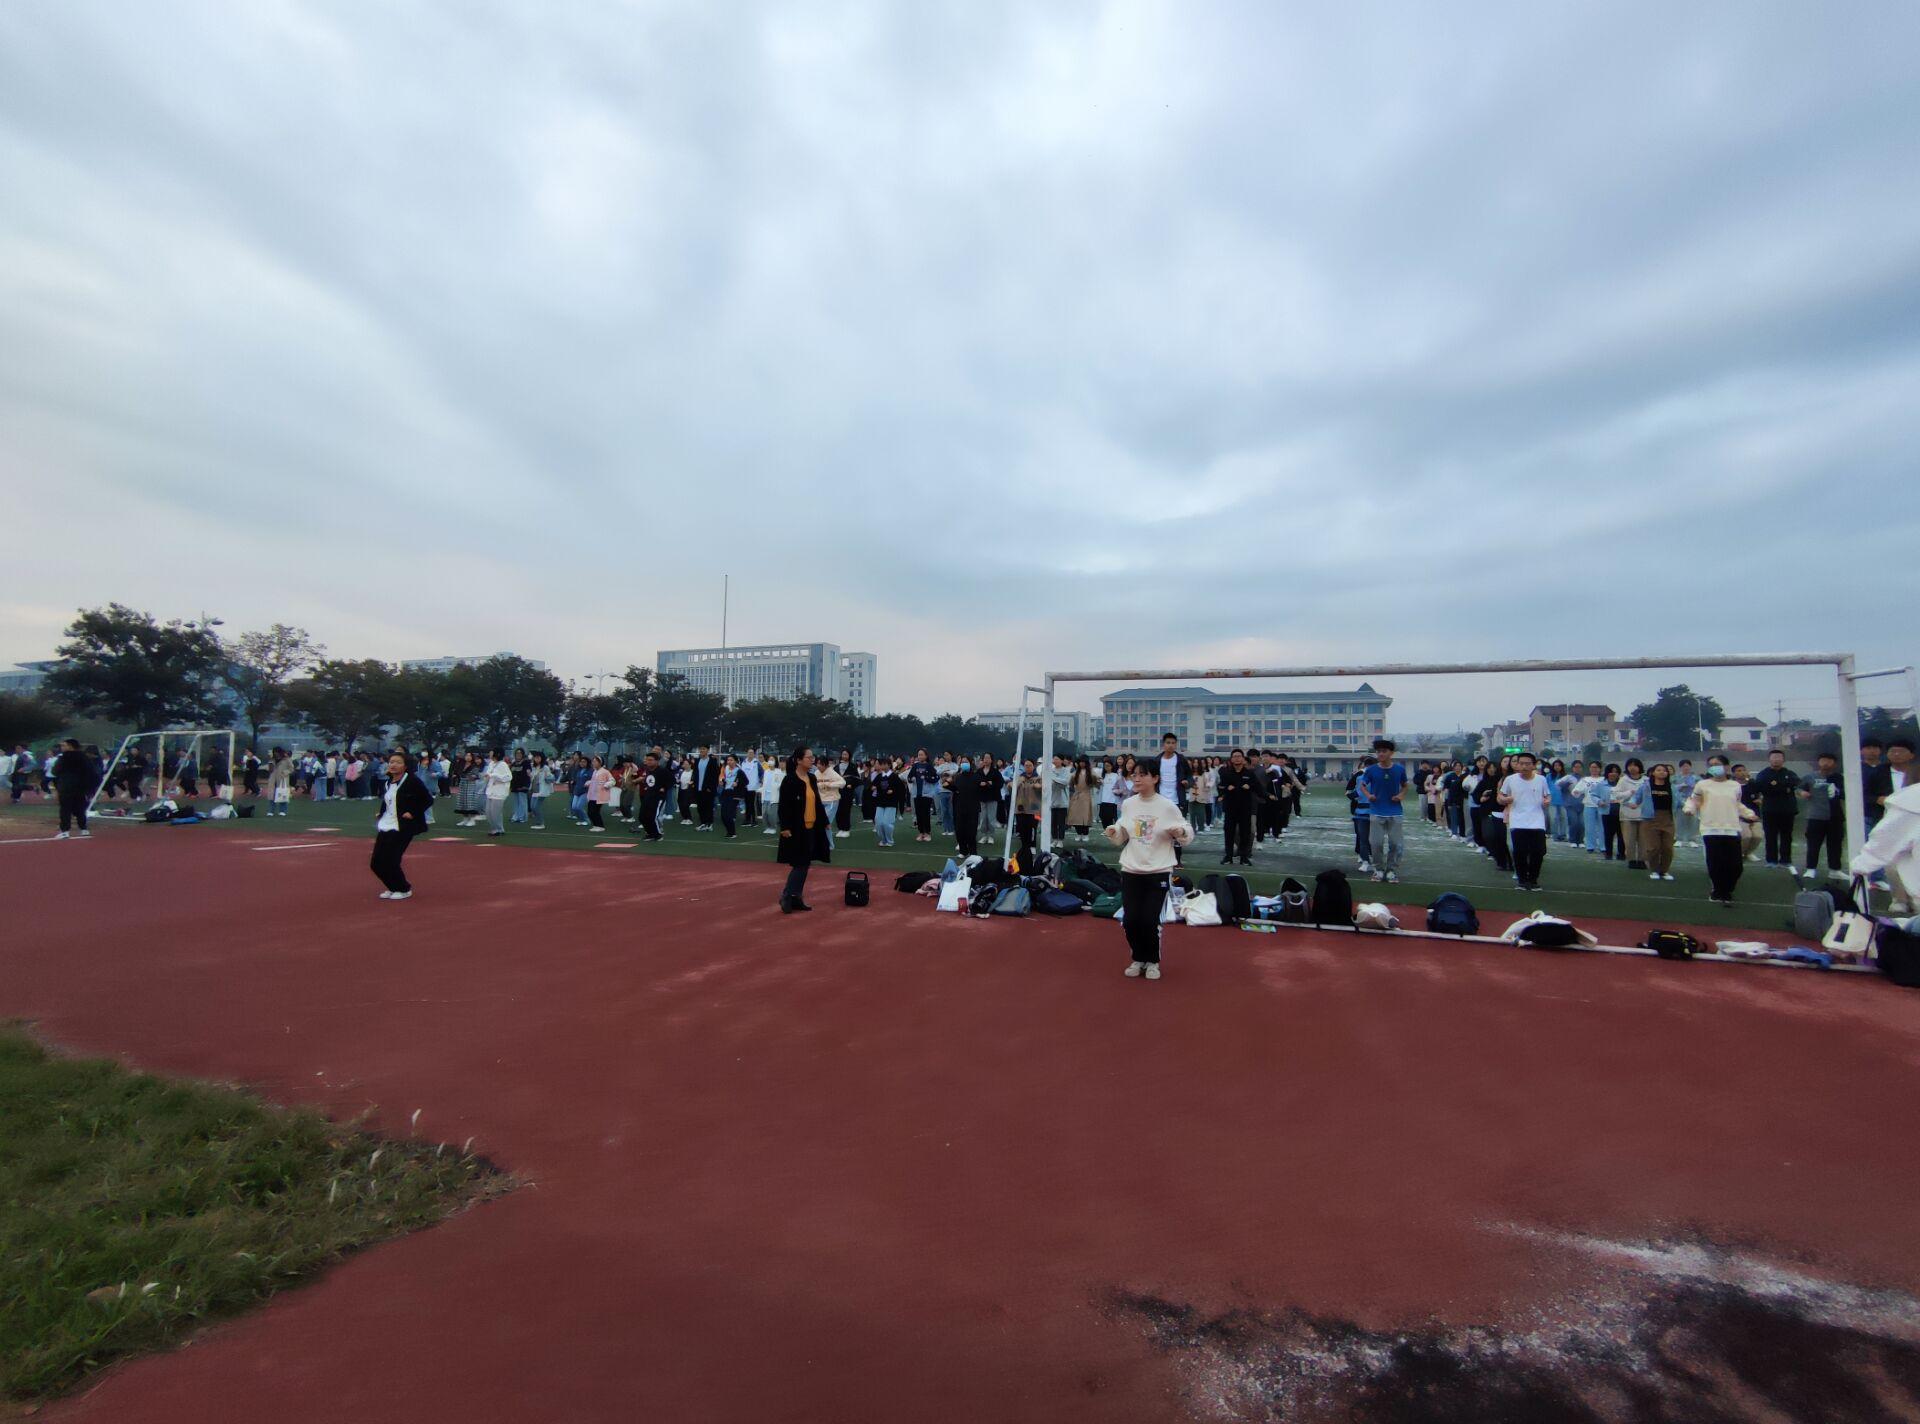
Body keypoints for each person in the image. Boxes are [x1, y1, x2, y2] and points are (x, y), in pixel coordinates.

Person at [1105, 759, 1194, 981]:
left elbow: (1186, 832)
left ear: (1155, 778)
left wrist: (1180, 832)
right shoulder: (1129, 804)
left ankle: (1152, 961)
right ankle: (1138, 958)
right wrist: (1114, 831)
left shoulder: (1167, 806)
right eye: (1134, 774)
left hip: (1158, 870)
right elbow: (1122, 833)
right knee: (1131, 920)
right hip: (1131, 869)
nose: (1136, 779)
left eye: (1142, 775)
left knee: (1149, 920)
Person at [1684, 755, 1757, 905]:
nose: (1714, 767)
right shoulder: (1702, 784)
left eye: (1717, 764)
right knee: (1716, 864)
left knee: (1736, 866)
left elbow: (1737, 804)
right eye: (1711, 765)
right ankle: (1718, 892)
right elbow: (1694, 801)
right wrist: (1689, 809)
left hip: (1731, 828)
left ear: (1727, 767)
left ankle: (1727, 889)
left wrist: (1749, 814)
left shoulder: (1734, 785)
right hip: (1711, 828)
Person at [1852, 779, 1920, 915]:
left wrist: (1861, 865)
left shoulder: (1912, 799)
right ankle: (1900, 901)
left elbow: (1885, 840)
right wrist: (1861, 866)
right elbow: (1886, 838)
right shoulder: (1913, 799)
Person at [370, 751, 432, 899]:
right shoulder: (387, 782)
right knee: (376, 862)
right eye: (391, 762)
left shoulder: (412, 781)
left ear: (405, 766)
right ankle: (392, 887)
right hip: (387, 824)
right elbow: (388, 801)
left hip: (404, 826)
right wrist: (381, 813)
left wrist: (412, 812)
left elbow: (427, 799)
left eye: (398, 762)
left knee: (391, 859)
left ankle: (403, 889)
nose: (393, 765)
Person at [777, 745, 831, 913]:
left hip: (812, 828)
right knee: (800, 864)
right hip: (796, 829)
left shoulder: (811, 778)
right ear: (799, 760)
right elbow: (784, 806)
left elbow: (817, 802)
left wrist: (825, 821)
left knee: (805, 864)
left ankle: (796, 897)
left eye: (812, 757)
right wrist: (785, 827)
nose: (812, 760)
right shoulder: (790, 780)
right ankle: (787, 895)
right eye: (809, 757)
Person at [1498, 751, 1551, 891]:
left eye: (1527, 764)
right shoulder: (1510, 779)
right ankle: (1522, 880)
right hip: (1518, 820)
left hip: (1537, 820)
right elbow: (1500, 796)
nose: (1524, 766)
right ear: (1517, 765)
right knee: (1519, 851)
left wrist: (1547, 801)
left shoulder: (1541, 779)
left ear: (1534, 765)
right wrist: (1504, 799)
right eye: (1521, 763)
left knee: (1539, 851)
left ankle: (1533, 880)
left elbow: (1547, 796)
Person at [1750, 748, 1801, 868]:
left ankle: (1785, 860)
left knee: (1786, 836)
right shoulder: (1763, 774)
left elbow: (1797, 784)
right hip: (1769, 810)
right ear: (1769, 759)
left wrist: (1778, 786)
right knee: (1770, 836)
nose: (1776, 760)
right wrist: (1783, 787)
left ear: (1783, 760)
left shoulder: (1790, 773)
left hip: (1787, 810)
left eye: (1779, 757)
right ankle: (1771, 860)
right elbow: (1759, 788)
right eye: (1773, 758)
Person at [1798, 751, 1845, 880]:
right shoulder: (1810, 777)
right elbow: (1798, 788)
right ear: (1818, 762)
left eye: (1829, 761)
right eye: (1823, 760)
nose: (1825, 763)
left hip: (1835, 816)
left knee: (1835, 845)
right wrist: (1802, 793)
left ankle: (1835, 870)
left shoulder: (1839, 778)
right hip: (1815, 816)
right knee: (1813, 844)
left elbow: (1847, 793)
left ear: (1834, 763)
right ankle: (1811, 869)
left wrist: (1838, 792)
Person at [1215, 747, 1261, 867]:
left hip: (1245, 808)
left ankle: (1244, 857)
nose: (1237, 759)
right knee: (1229, 832)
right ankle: (1228, 856)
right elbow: (1220, 787)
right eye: (1234, 756)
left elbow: (1258, 787)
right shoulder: (1226, 773)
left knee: (1245, 833)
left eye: (1239, 756)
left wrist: (1250, 786)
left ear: (1243, 759)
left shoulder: (1249, 773)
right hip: (1230, 808)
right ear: (1231, 759)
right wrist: (1226, 788)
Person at [1633, 762, 1679, 881]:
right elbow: (1636, 798)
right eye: (1658, 770)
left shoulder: (1672, 787)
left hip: (1667, 819)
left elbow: (1679, 801)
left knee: (1668, 847)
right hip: (1650, 819)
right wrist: (1633, 803)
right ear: (1653, 773)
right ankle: (1654, 870)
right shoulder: (1646, 786)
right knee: (1654, 847)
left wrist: (1689, 807)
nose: (1662, 772)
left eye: (1664, 770)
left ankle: (1664, 871)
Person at [51, 739, 97, 839]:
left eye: (64, 745)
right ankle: (84, 829)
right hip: (81, 787)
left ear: (70, 746)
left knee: (65, 809)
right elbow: (91, 772)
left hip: (66, 786)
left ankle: (65, 831)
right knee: (80, 808)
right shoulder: (84, 757)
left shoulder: (64, 758)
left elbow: (55, 771)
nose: (62, 747)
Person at [1011, 758, 1044, 866]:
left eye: (1029, 765)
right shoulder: (1020, 777)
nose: (1027, 767)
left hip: (1034, 808)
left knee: (1032, 828)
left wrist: (1039, 786)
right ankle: (1024, 846)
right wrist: (1015, 783)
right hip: (1020, 807)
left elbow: (1044, 788)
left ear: (1033, 766)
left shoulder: (1038, 778)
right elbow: (1010, 786)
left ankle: (1032, 846)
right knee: (1022, 828)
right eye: (1026, 765)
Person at [873, 759, 907, 848]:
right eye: (881, 764)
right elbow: (872, 785)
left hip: (891, 803)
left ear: (889, 765)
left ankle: (889, 841)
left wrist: (893, 791)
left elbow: (901, 789)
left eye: (884, 764)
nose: (882, 766)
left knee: (886, 823)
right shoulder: (879, 776)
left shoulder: (894, 776)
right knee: (878, 822)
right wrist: (872, 787)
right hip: (880, 802)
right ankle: (883, 840)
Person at [908, 749, 940, 843]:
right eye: (919, 755)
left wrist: (926, 778)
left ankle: (927, 833)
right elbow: (909, 777)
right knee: (918, 814)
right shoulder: (915, 766)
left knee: (926, 814)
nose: (920, 756)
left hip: (927, 794)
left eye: (922, 754)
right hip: (916, 793)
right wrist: (912, 779)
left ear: (926, 756)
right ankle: (921, 832)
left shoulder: (929, 766)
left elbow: (936, 778)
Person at [636, 751, 669, 841]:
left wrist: (664, 788)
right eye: (647, 760)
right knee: (642, 816)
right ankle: (650, 833)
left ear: (657, 761)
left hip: (658, 797)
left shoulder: (662, 770)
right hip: (648, 795)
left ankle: (658, 835)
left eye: (651, 760)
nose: (648, 762)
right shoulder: (648, 770)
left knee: (652, 816)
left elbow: (672, 780)